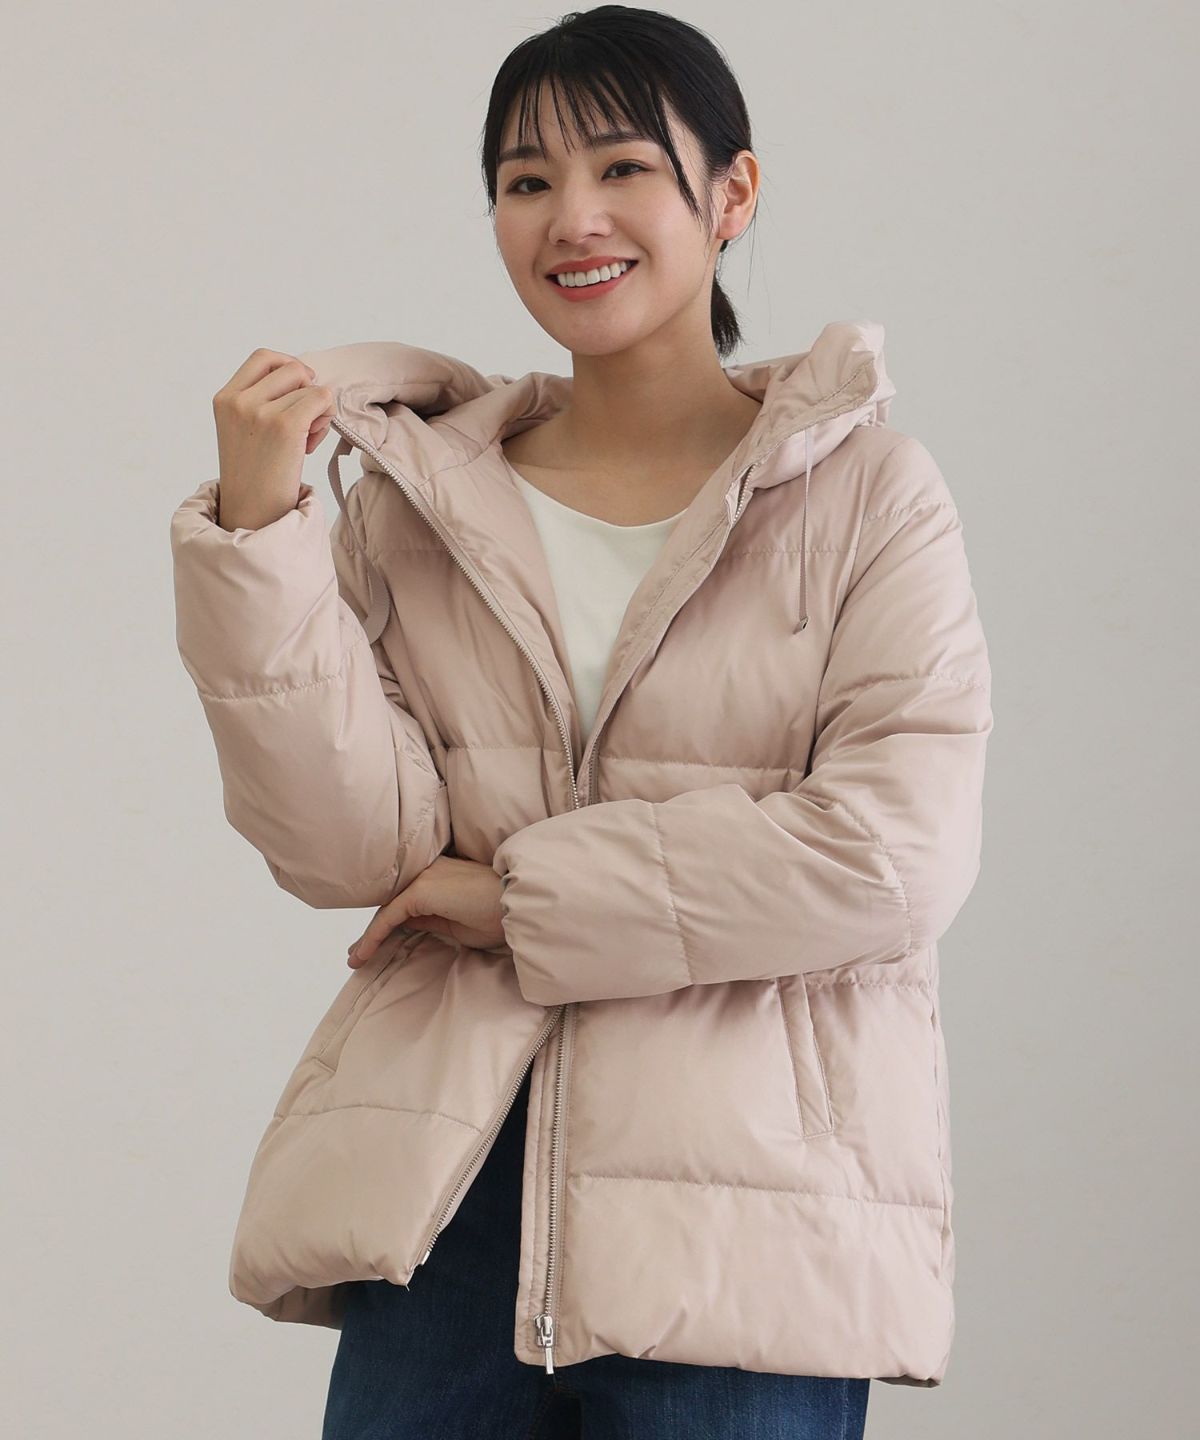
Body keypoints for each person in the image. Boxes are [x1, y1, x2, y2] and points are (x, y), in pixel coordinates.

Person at [169, 6, 993, 1437]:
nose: (573, 218)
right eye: (526, 180)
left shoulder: (867, 494)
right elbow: (349, 849)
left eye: (623, 167)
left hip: (748, 1221)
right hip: (449, 1204)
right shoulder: (420, 501)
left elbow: (892, 854)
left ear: (731, 194)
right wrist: (261, 530)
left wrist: (521, 902)